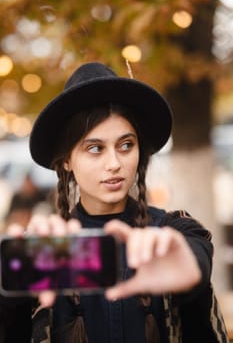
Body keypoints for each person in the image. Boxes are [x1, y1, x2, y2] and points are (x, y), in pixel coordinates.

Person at [0, 62, 229, 343]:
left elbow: (195, 255)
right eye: (95, 148)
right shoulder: (43, 250)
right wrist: (10, 279)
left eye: (126, 145)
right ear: (67, 161)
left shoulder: (175, 232)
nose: (114, 163)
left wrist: (193, 280)